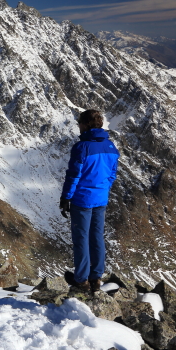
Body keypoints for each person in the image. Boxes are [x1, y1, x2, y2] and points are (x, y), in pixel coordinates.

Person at [59, 109, 120, 292]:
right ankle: (96, 278)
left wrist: (66, 197)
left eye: (80, 123)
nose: (78, 126)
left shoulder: (82, 147)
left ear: (86, 125)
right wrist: (102, 190)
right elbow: (112, 175)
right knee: (97, 237)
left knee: (81, 239)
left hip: (82, 200)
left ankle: (81, 280)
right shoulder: (111, 147)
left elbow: (74, 176)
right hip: (101, 199)